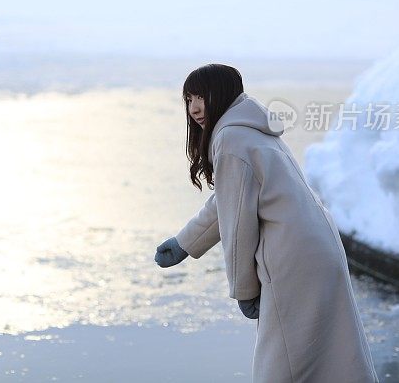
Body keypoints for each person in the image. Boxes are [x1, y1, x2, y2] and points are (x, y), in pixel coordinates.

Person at [154, 64, 379, 383]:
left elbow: (237, 227)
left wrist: (244, 290)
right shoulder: (249, 129)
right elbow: (229, 200)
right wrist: (185, 243)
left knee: (283, 367)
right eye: (188, 99)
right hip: (317, 248)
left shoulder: (231, 138)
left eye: (201, 97)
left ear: (221, 94)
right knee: (334, 359)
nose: (194, 108)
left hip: (293, 260)